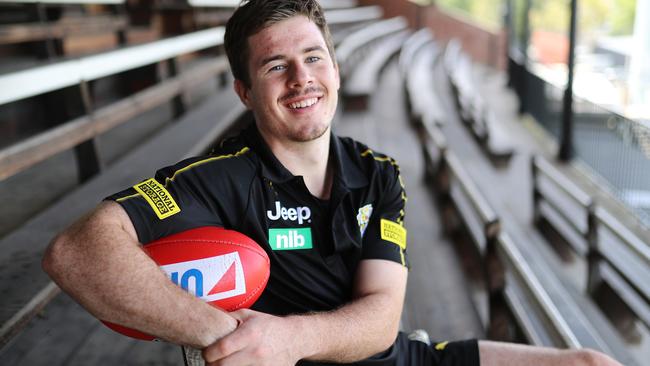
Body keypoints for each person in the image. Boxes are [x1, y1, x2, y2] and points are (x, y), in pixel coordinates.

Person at [43, 1, 623, 365]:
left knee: (592, 363)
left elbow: (379, 321)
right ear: (245, 92)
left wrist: (286, 340)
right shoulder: (220, 177)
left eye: (314, 58)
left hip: (401, 358)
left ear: (337, 71)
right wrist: (226, 334)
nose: (302, 79)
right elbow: (77, 252)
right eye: (275, 66)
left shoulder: (378, 173)